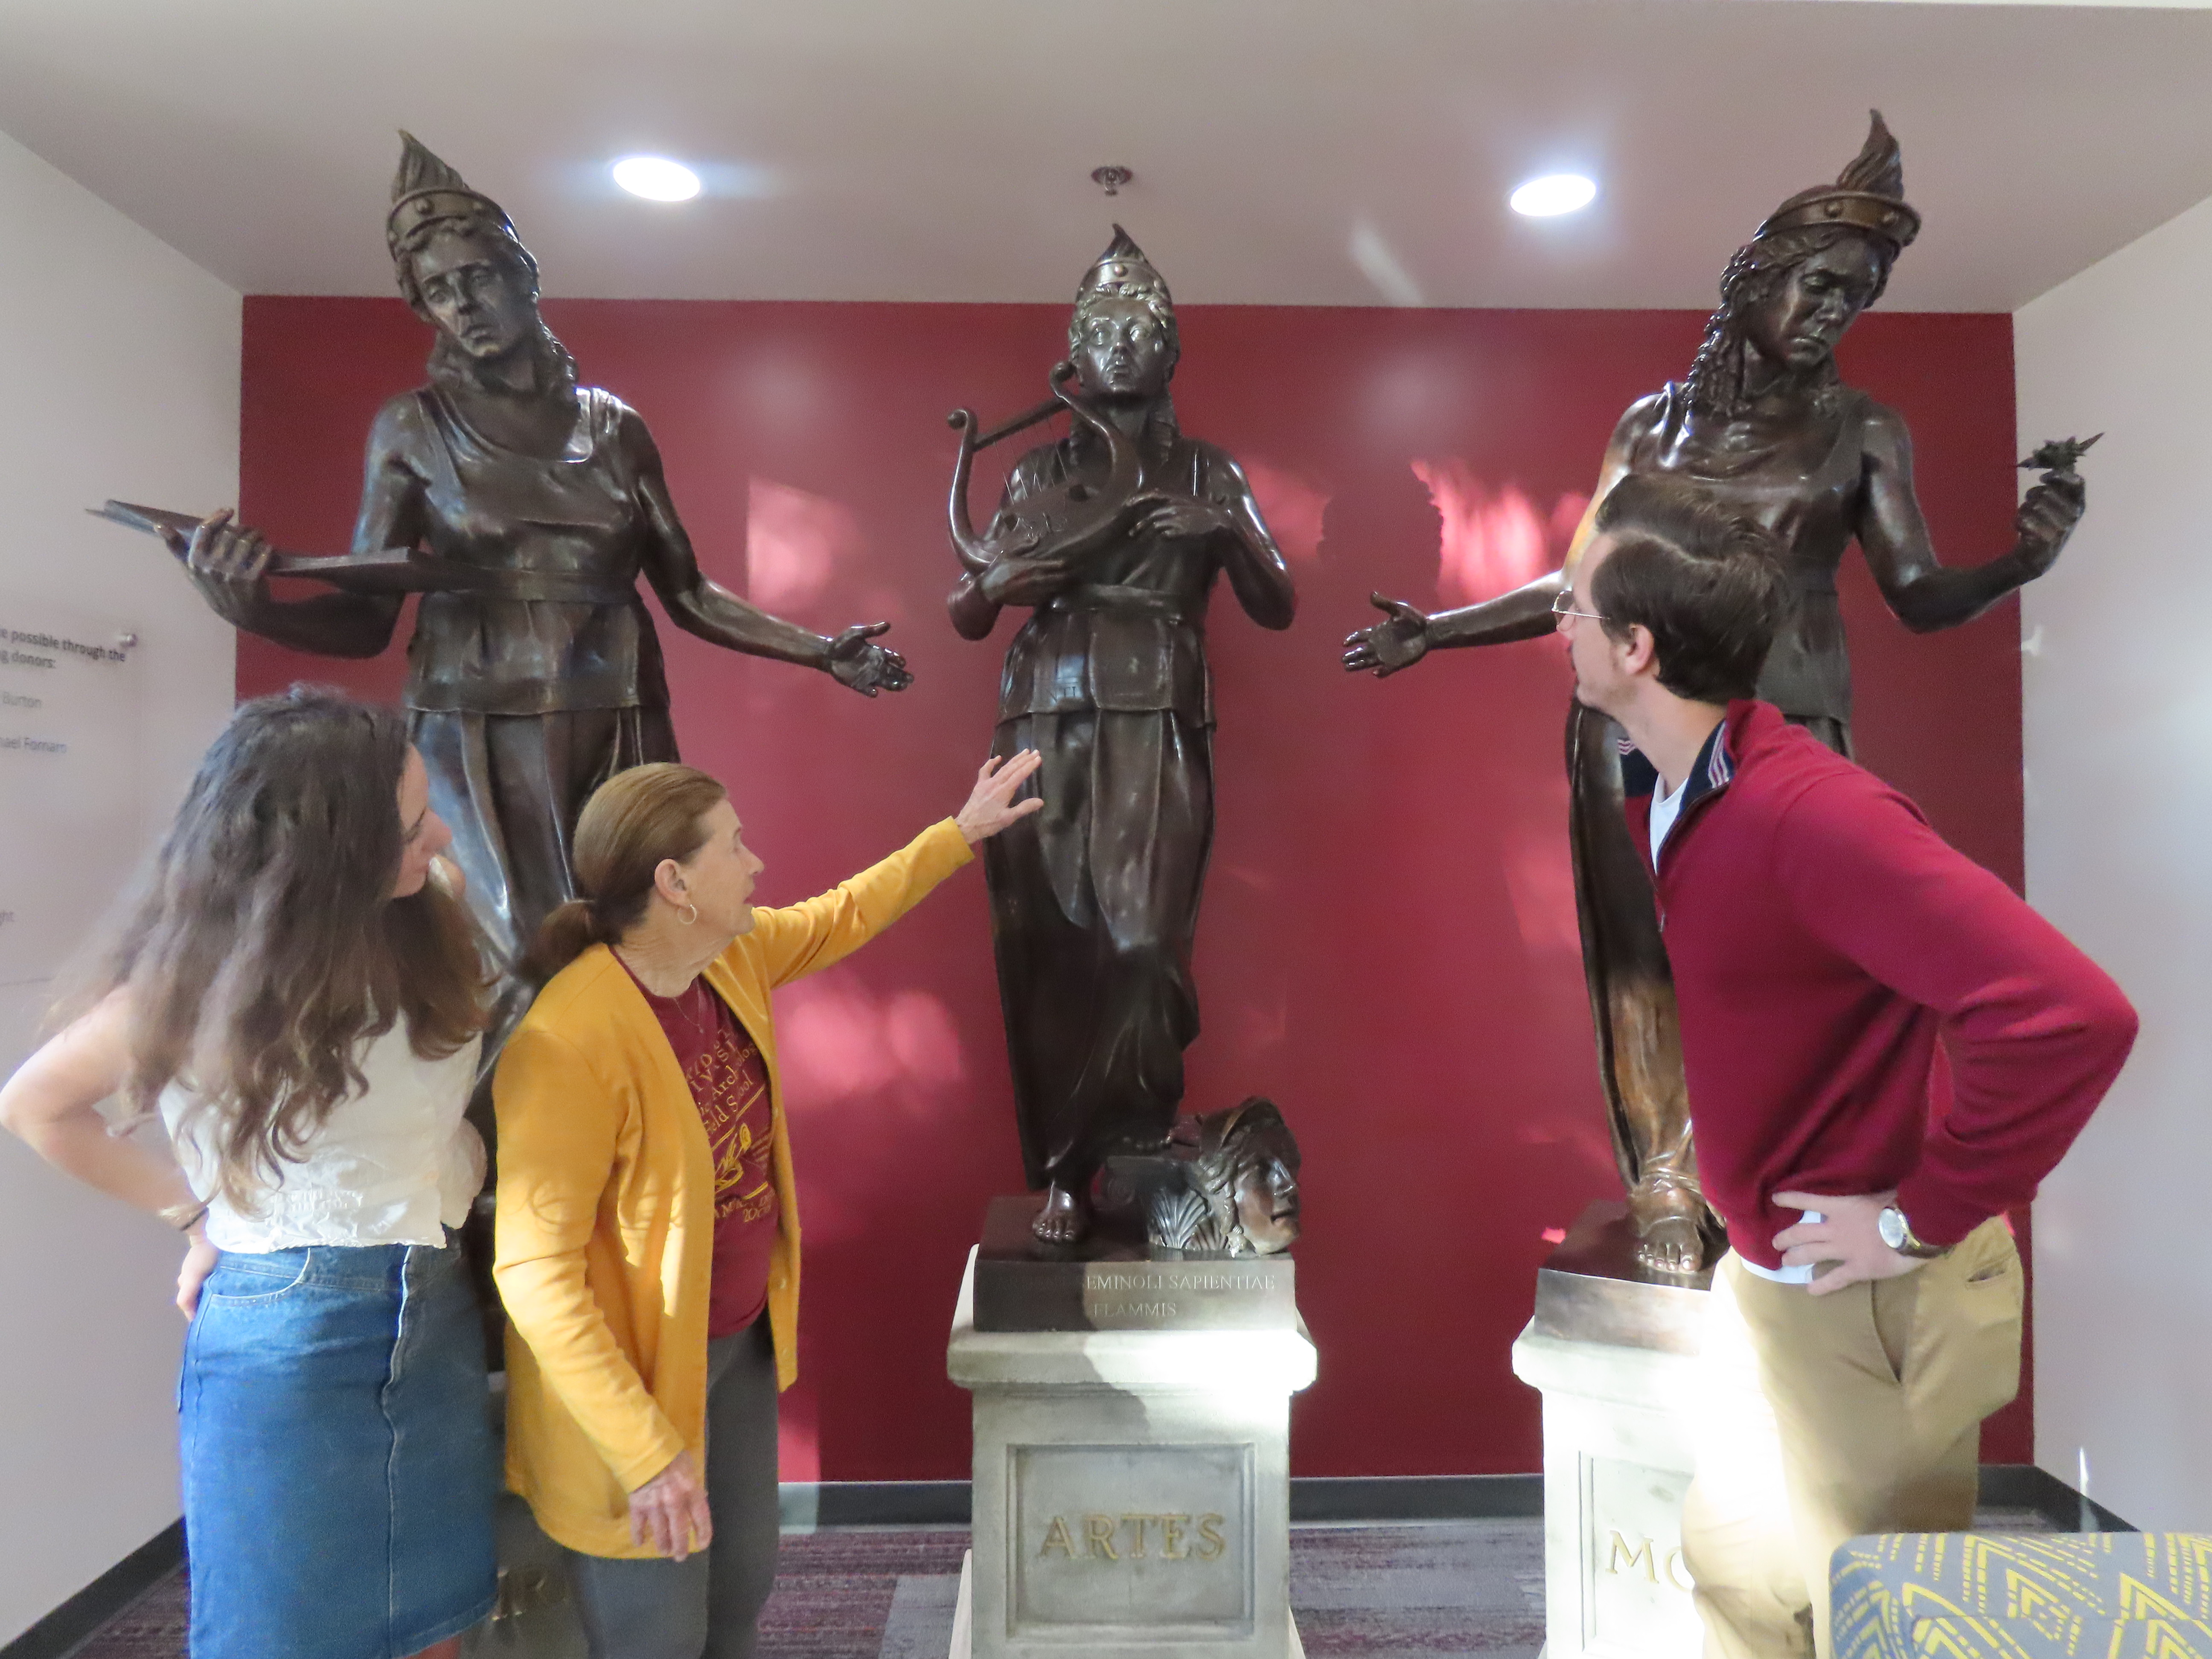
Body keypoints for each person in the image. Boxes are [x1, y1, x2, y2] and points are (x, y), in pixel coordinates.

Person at [1342, 114, 2088, 1274]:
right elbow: (1586, 581)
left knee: (1775, 970)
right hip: (1624, 729)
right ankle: (1664, 1177)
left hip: (1781, 726)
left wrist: (2019, 565)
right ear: (1754, 281)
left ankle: (1776, 1181)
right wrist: (1434, 633)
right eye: (1818, 286)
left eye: (1857, 298)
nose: (1834, 313)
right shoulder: (1653, 425)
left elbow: (1918, 594)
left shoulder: (1860, 428)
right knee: (1638, 953)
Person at [1557, 474, 2135, 1659]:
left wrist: (1922, 1219)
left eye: (1574, 605)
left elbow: (2075, 1015)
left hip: (1873, 1303)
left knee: (1873, 1626)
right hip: (1773, 1288)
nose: (1556, 623)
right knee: (1740, 1586)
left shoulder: (1813, 813)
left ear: (1635, 647)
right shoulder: (1681, 790)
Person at [167, 133, 911, 1046]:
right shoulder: (413, 428)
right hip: (476, 726)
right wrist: (249, 606)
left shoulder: (614, 428)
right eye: (439, 291)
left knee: (640, 935)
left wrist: (823, 651)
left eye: (478, 278)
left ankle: (639, 1117)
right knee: (517, 955)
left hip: (618, 711)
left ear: (524, 276)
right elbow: (367, 619)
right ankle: (515, 1135)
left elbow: (688, 593)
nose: (463, 305)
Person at [491, 750, 1044, 1659]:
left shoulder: (728, 959)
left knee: (740, 1597)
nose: (756, 863)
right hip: (628, 1395)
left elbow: (844, 914)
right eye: (734, 846)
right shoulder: (567, 1041)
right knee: (657, 1639)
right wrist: (644, 1452)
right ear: (674, 884)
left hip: (736, 1351)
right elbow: (536, 1278)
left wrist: (961, 833)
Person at [0, 687, 499, 1659]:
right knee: (286, 1633)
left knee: (434, 1617)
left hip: (435, 1302)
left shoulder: (428, 909)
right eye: (409, 828)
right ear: (325, 858)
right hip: (291, 1334)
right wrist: (195, 1217)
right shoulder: (196, 985)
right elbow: (35, 1106)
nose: (440, 837)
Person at [947, 227, 1297, 1243]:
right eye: (1101, 330)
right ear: (1074, 352)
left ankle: (1136, 1143)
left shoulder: (1208, 472)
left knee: (1144, 945)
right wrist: (1000, 584)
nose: (1121, 345)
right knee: (1050, 943)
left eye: (1142, 328)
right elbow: (967, 609)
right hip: (1043, 715)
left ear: (1172, 350)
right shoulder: (1035, 475)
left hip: (1158, 715)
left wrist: (1224, 531)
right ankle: (1066, 1165)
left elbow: (1278, 604)